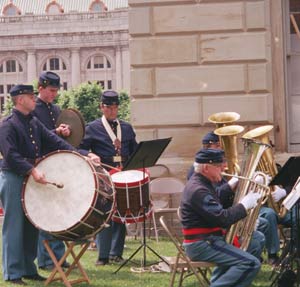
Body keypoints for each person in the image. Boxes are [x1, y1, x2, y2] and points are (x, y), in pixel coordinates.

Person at [0, 85, 98, 285]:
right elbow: (11, 155)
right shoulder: (7, 125)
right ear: (20, 100)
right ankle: (13, 272)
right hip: (14, 176)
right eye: (30, 96)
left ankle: (28, 268)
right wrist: (33, 170)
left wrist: (84, 155)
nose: (34, 99)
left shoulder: (33, 122)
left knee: (31, 225)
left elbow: (56, 141)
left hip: (30, 177)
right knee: (14, 225)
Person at [180, 148, 263, 287]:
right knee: (250, 263)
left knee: (255, 242)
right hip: (203, 244)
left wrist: (232, 185)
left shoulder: (202, 183)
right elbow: (222, 218)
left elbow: (216, 196)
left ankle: (218, 281)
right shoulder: (198, 189)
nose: (224, 167)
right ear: (206, 167)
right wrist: (244, 205)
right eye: (219, 165)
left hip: (210, 240)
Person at [79, 90, 138, 266]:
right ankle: (103, 255)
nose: (112, 111)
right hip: (103, 176)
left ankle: (116, 253)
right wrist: (90, 154)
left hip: (123, 174)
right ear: (101, 107)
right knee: (106, 215)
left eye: (115, 107)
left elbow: (134, 150)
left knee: (121, 214)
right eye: (108, 107)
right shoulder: (92, 128)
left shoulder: (126, 127)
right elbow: (79, 148)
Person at [31, 71, 71, 271]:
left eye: (56, 91)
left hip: (57, 163)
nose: (54, 94)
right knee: (46, 214)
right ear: (40, 88)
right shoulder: (33, 108)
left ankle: (57, 256)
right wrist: (57, 132)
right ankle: (48, 259)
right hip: (41, 166)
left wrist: (65, 130)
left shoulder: (55, 109)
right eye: (51, 91)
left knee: (57, 212)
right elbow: (38, 136)